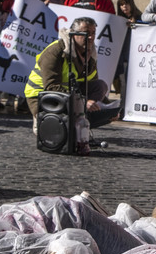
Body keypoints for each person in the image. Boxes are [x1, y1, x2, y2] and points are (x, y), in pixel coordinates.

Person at [24, 17, 109, 155]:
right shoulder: (55, 50)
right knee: (57, 136)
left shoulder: (91, 53)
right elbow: (51, 86)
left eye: (93, 33)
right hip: (42, 95)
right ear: (73, 33)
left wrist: (108, 109)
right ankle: (44, 122)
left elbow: (93, 83)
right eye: (86, 33)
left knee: (100, 86)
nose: (91, 37)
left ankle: (80, 123)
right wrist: (83, 102)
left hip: (71, 95)